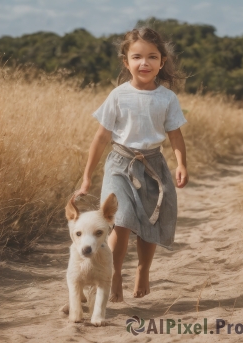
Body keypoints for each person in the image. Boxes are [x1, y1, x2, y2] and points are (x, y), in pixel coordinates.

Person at [74, 27, 188, 302]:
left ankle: (143, 270)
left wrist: (181, 163)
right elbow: (101, 138)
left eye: (152, 57)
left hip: (153, 165)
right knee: (120, 221)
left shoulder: (167, 98)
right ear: (126, 62)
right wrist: (87, 178)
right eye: (137, 57)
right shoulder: (118, 95)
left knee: (149, 223)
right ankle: (113, 273)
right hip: (119, 164)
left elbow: (175, 134)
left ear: (162, 62)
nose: (144, 63)